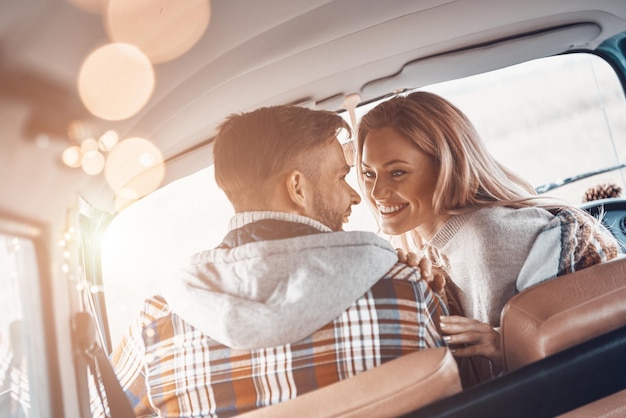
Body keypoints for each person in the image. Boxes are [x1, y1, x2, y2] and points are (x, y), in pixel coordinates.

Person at [102, 105, 447, 417]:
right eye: (341, 178)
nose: (356, 195)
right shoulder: (405, 289)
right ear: (298, 188)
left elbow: (99, 409)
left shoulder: (155, 324)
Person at [356, 91, 620, 386]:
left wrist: (504, 346)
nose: (377, 192)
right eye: (368, 173)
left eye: (397, 172)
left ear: (445, 168)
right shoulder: (435, 248)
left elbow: (514, 377)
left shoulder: (487, 238)